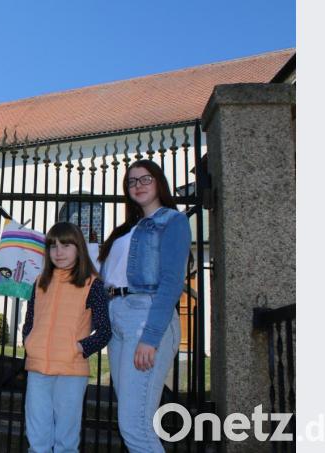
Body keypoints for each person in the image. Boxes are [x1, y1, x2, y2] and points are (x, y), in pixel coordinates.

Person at [98, 160, 191, 452]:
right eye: (131, 182)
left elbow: (171, 283)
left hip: (145, 316)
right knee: (133, 418)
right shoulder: (126, 230)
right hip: (116, 320)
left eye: (145, 179)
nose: (138, 185)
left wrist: (151, 337)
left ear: (159, 183)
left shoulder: (172, 222)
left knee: (135, 425)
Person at [22, 222, 111, 453]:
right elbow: (30, 321)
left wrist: (78, 348)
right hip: (37, 368)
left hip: (71, 371)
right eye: (53, 246)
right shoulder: (40, 282)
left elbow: (104, 331)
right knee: (37, 437)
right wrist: (29, 342)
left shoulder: (92, 284)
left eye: (66, 245)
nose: (58, 252)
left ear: (78, 248)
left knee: (66, 439)